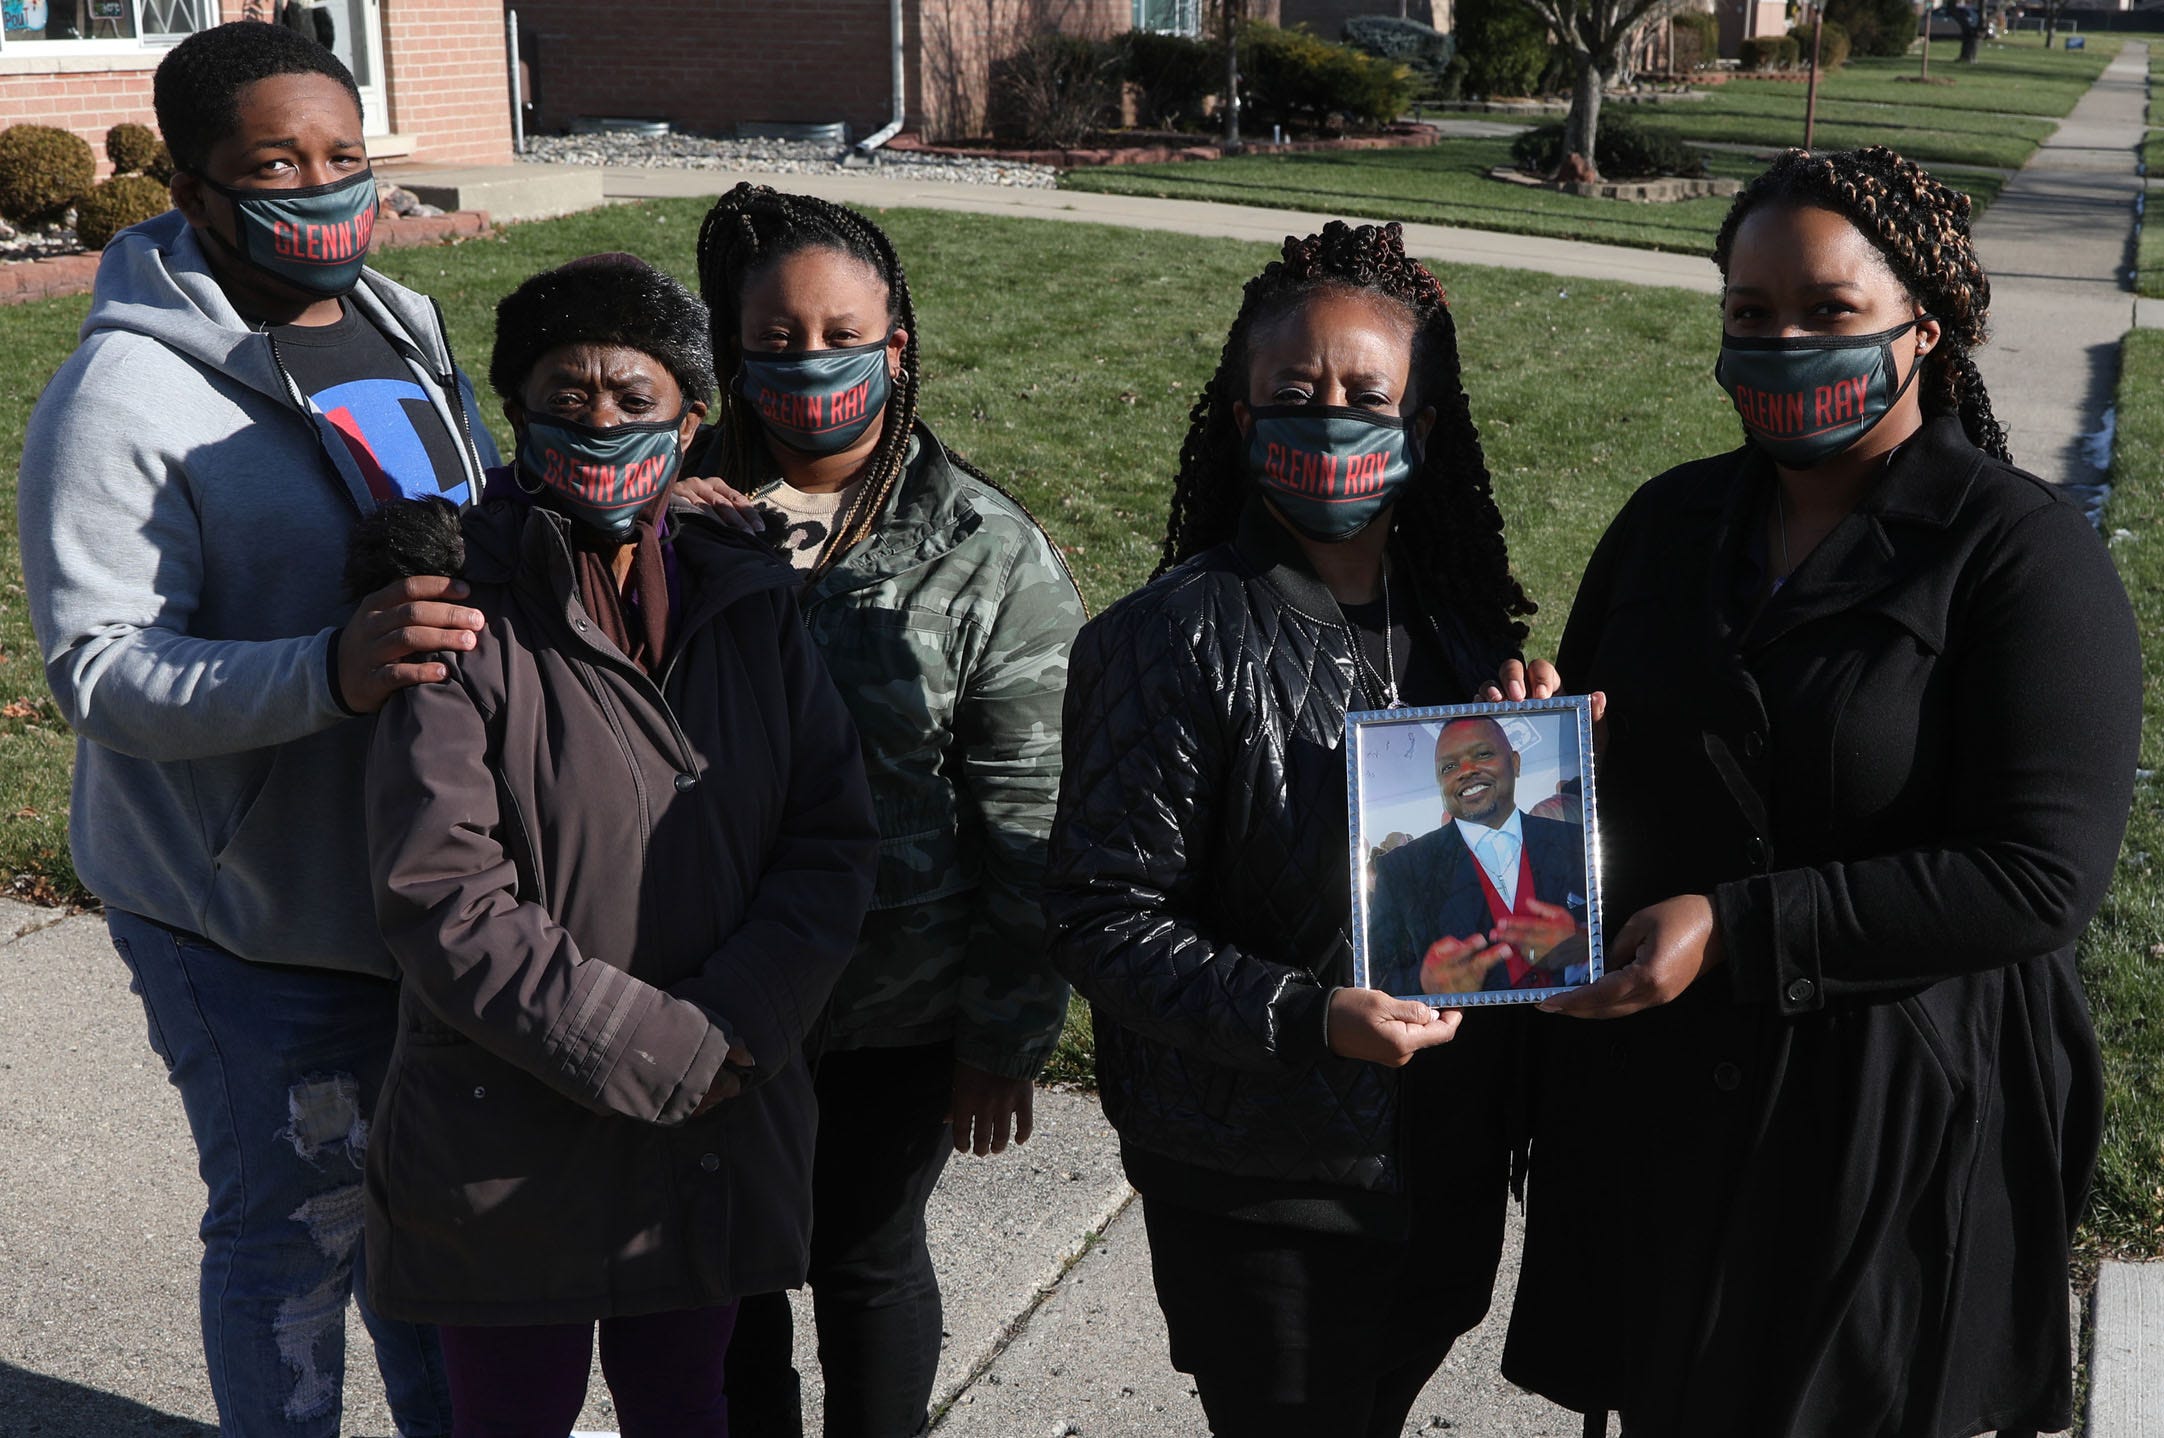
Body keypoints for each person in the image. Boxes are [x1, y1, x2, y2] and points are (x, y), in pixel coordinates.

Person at [1501, 147, 2142, 1438]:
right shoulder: (1669, 523)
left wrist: (1738, 926)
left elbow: (2037, 879)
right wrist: (1531, 766)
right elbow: (1609, 771)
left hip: (1890, 1114)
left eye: (1828, 311)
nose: (1781, 342)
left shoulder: (2019, 553)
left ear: (1926, 325)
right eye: (1751, 313)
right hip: (1669, 1100)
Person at [17, 21, 499, 1435]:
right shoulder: (120, 398)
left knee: (425, 1233)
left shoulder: (400, 318)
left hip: (421, 876)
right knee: (292, 1239)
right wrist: (327, 671)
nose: (325, 191)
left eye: (345, 157)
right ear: (195, 190)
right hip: (251, 916)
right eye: (275, 165)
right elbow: (96, 672)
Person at [356, 253, 880, 1434]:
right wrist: (657, 1050)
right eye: (564, 397)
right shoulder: (452, 606)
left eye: (633, 400)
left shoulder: (750, 599)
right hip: (509, 1123)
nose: (599, 427)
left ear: (691, 420)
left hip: (708, 1119)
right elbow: (445, 895)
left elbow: (831, 837)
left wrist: (735, 1024)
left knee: (685, 1402)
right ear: (516, 415)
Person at [1044, 220, 1540, 1437]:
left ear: (1420, 430)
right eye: (1293, 391)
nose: (1330, 418)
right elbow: (1099, 914)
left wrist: (1532, 764)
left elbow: (1489, 898)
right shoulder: (1170, 638)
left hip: (1440, 1160)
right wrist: (1306, 1015)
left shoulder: (1462, 637)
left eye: (1368, 394)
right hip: (1259, 1181)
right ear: (1238, 416)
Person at [685, 183, 1084, 1438]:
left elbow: (1031, 814)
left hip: (892, 1008)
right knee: (730, 1274)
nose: (811, 363)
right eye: (777, 338)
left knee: (863, 1258)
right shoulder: (668, 517)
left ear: (896, 344)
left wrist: (1005, 1033)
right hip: (708, 987)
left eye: (843, 332)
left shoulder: (982, 549)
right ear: (730, 350)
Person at [1368, 716, 1590, 996]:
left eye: (1483, 754)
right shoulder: (1400, 869)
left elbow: (1624, 936)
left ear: (1516, 763)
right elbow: (1374, 978)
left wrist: (1583, 943)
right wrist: (1424, 984)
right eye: (1449, 767)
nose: (1467, 771)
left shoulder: (1575, 842)